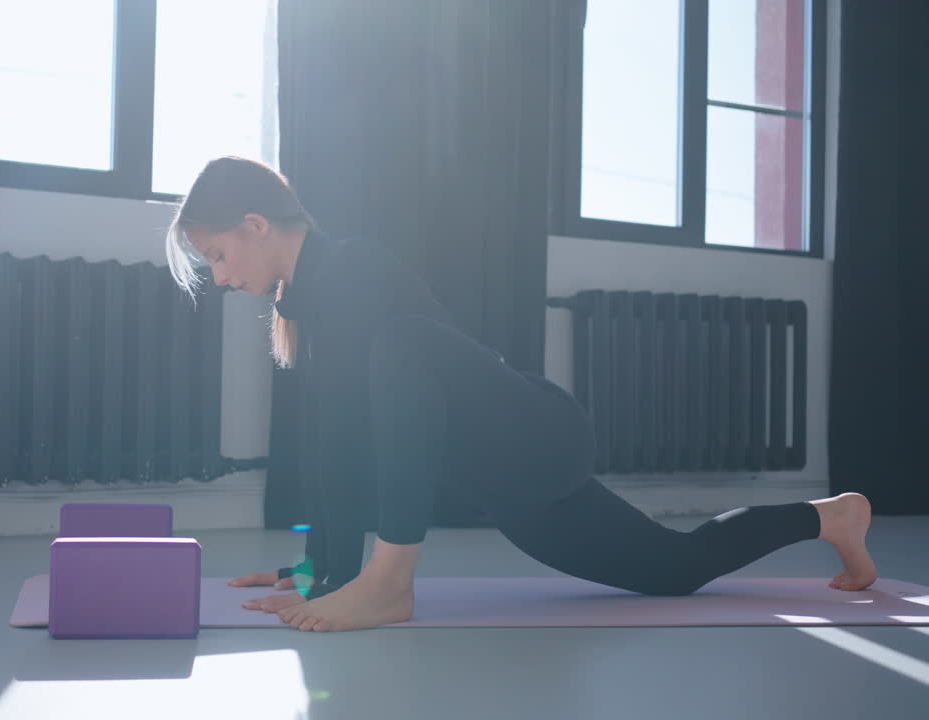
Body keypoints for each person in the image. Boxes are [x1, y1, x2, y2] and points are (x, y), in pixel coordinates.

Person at [164, 156, 878, 633]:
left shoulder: (353, 268)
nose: (222, 278)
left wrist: (372, 578)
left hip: (533, 433)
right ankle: (831, 517)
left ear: (256, 225)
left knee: (399, 345)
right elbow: (336, 448)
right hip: (508, 480)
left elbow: (393, 397)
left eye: (220, 256)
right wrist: (321, 567)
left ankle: (392, 580)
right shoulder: (305, 311)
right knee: (676, 569)